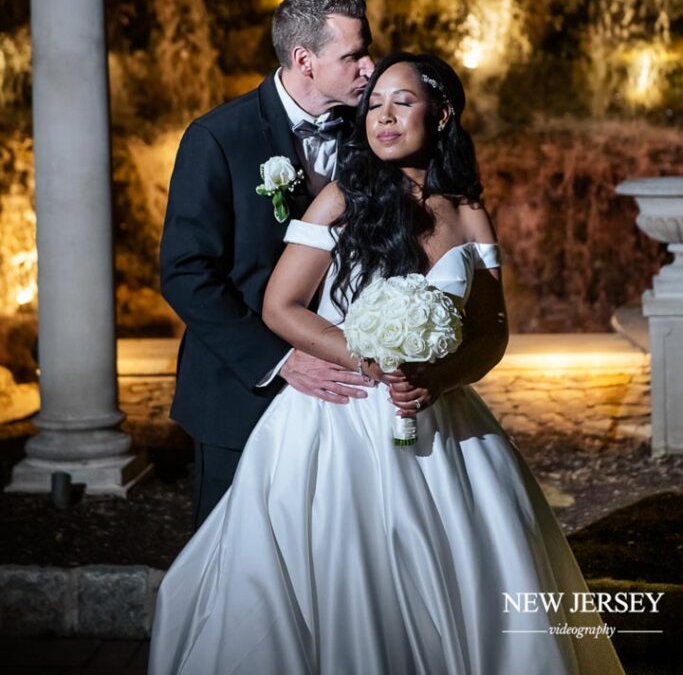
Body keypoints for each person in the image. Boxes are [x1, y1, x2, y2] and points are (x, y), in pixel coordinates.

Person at [150, 52, 626, 675]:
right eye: (374, 104)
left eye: (401, 102)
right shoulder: (341, 201)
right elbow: (281, 306)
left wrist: (436, 378)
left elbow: (489, 335)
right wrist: (370, 358)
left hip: (439, 418)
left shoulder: (470, 213)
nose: (383, 116)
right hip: (338, 416)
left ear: (443, 113)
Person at [160, 0, 375, 528]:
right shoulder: (217, 137)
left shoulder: (374, 133)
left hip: (349, 390)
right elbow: (187, 274)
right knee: (232, 559)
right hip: (243, 388)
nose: (369, 67)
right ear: (305, 60)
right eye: (352, 55)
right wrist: (280, 360)